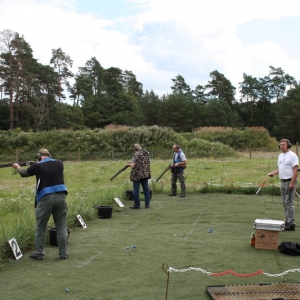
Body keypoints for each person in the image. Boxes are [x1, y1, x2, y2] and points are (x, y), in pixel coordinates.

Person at [12, 149, 69, 260]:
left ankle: (39, 253)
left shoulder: (38, 166)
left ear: (38, 156)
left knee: (41, 226)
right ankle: (64, 253)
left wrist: (18, 167)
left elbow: (24, 173)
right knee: (62, 226)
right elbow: (49, 167)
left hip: (46, 197)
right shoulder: (59, 163)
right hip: (61, 196)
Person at [268, 139, 298, 231]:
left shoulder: (293, 156)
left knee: (289, 202)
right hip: (282, 181)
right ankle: (287, 220)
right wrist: (273, 173)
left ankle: (291, 223)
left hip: (290, 181)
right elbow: (280, 168)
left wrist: (292, 183)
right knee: (284, 202)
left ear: (288, 145)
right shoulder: (280, 156)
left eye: (284, 145)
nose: (282, 146)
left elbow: (296, 170)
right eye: (280, 145)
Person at [128, 144, 151, 209]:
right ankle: (147, 204)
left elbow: (133, 165)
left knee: (136, 190)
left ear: (135, 149)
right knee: (146, 189)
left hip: (137, 175)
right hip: (145, 174)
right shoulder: (146, 153)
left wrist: (128, 164)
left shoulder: (135, 154)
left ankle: (137, 204)